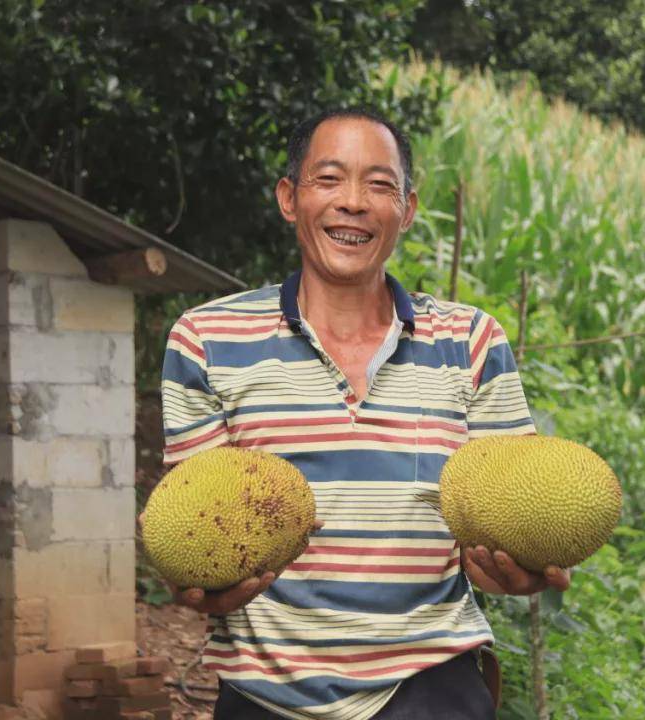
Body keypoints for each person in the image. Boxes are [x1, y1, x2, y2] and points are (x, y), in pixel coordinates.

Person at [157, 108, 571, 720]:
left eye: (379, 185)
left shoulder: (471, 341)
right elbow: (199, 526)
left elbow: (500, 523)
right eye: (328, 179)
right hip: (264, 697)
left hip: (430, 690)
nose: (353, 203)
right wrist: (203, 582)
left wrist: (512, 566)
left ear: (406, 209)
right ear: (289, 198)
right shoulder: (206, 339)